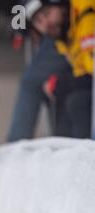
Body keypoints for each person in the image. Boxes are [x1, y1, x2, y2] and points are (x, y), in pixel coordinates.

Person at [19, 0, 94, 139]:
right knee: (68, 98)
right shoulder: (66, 39)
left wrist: (61, 83)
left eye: (47, 14)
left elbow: (92, 75)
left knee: (77, 102)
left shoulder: (86, 16)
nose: (45, 24)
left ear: (61, 5)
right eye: (38, 21)